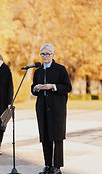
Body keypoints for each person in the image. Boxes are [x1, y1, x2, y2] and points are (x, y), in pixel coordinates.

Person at [31, 44, 72, 174]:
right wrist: (36, 88)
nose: (45, 56)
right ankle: (48, 165)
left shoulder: (60, 69)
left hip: (57, 108)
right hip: (42, 107)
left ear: (53, 55)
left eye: (48, 54)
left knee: (57, 137)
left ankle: (57, 167)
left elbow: (67, 87)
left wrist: (52, 86)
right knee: (45, 137)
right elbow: (33, 88)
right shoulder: (38, 71)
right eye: (43, 54)